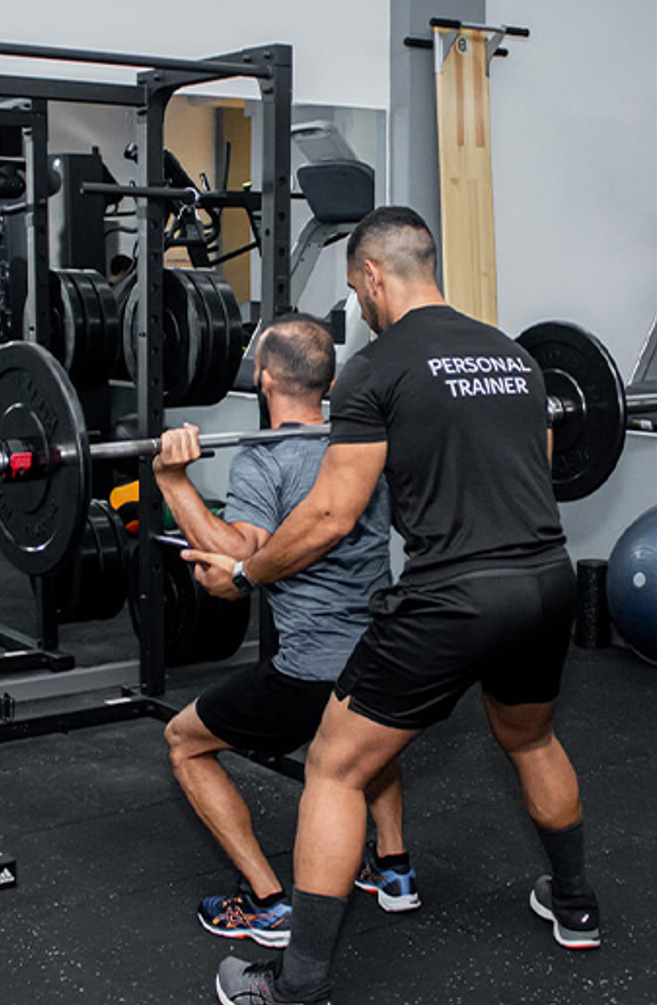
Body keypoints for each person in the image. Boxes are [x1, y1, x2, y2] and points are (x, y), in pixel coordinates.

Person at [185, 208, 599, 1005]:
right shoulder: (517, 357)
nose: (359, 309)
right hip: (547, 581)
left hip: (452, 596)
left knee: (335, 769)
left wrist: (245, 573)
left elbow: (334, 514)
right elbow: (540, 472)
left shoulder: (374, 370)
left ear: (373, 276)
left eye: (355, 291)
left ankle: (295, 982)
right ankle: (575, 903)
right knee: (532, 737)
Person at [155, 313, 418, 951]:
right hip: (383, 654)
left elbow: (236, 553)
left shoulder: (264, 460)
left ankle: (269, 903)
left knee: (184, 741)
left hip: (307, 673)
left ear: (265, 377)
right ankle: (393, 868)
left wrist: (173, 482)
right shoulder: (360, 446)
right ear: (325, 383)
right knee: (364, 739)